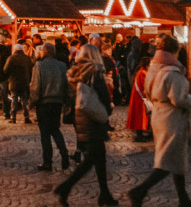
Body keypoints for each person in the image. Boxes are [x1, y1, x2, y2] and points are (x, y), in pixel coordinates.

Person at [128, 34, 191, 207]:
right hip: (172, 118)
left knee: (176, 158)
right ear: (175, 51)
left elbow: (148, 91)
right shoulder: (172, 71)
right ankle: (140, 191)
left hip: (159, 115)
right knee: (168, 160)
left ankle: (183, 199)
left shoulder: (154, 68)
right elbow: (178, 98)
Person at [52, 44, 117, 207]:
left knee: (98, 158)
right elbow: (103, 97)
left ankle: (105, 194)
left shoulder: (74, 71)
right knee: (91, 160)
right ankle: (65, 187)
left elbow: (71, 96)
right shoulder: (94, 72)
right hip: (94, 119)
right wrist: (108, 109)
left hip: (81, 118)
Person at [29, 42, 70, 172]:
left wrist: (32, 102)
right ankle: (65, 155)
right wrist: (66, 101)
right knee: (56, 129)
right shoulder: (62, 66)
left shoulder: (39, 65)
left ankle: (47, 162)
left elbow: (36, 87)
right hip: (57, 102)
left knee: (45, 133)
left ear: (44, 52)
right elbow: (66, 85)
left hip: (44, 103)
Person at [3, 41, 33, 124]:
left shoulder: (11, 58)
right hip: (25, 82)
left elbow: (5, 70)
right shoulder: (27, 58)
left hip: (14, 82)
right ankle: (26, 117)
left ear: (15, 49)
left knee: (14, 100)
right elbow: (31, 70)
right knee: (25, 100)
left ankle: (13, 117)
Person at [127, 56, 152, 142]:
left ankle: (141, 134)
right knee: (140, 117)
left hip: (139, 97)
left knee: (140, 116)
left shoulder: (142, 72)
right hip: (140, 99)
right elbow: (146, 86)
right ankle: (139, 135)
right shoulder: (143, 73)